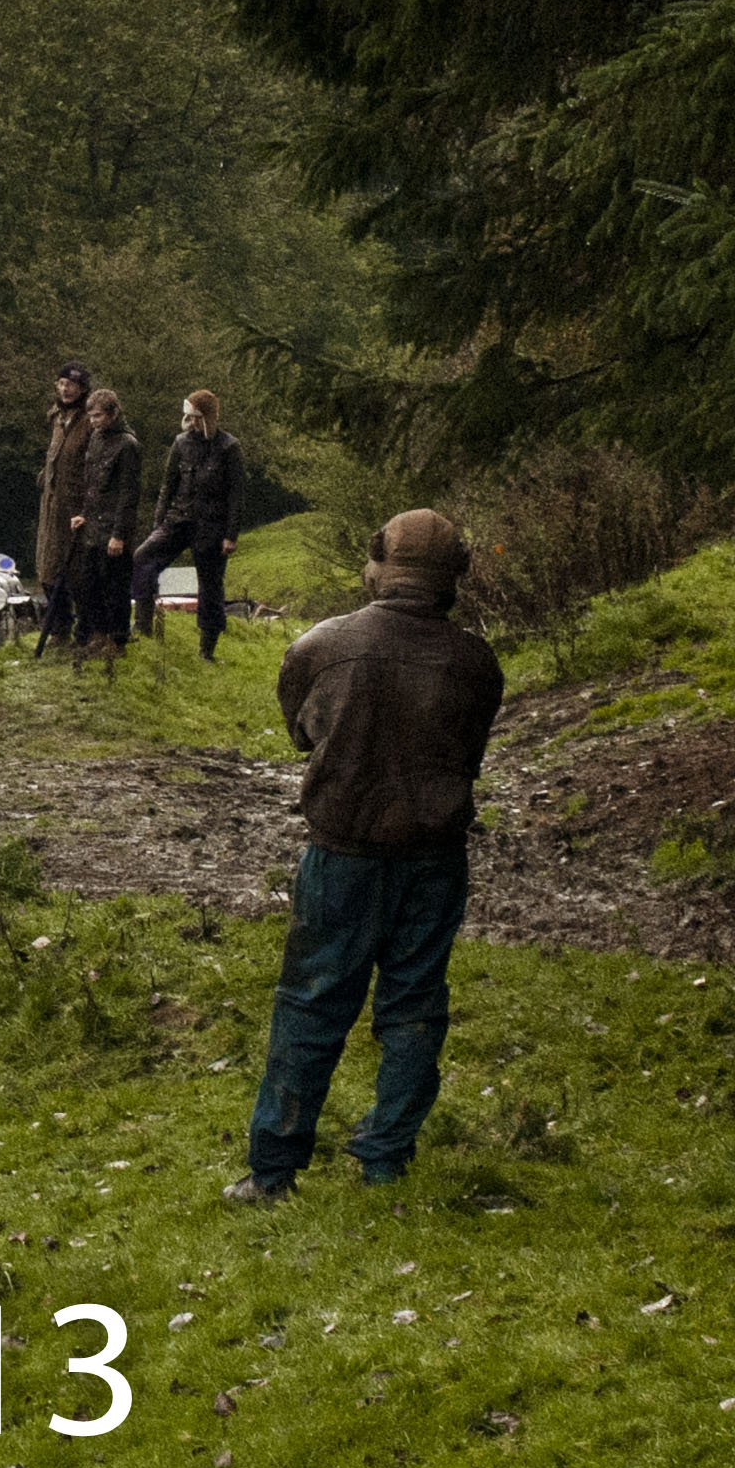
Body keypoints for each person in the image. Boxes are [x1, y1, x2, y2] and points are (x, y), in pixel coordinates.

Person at [226, 510, 504, 1204]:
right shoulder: (476, 662)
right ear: (453, 576)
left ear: (379, 563)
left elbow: (302, 732)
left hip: (343, 855)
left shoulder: (320, 648)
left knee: (310, 1004)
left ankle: (274, 1171)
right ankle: (386, 1158)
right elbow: (469, 751)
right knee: (414, 1005)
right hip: (435, 857)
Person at [136, 390, 249, 659]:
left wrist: (230, 535)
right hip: (178, 519)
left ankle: (207, 651)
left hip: (212, 526)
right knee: (142, 558)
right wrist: (158, 523)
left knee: (210, 586)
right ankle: (142, 629)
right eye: (188, 417)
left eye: (196, 418)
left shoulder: (228, 448)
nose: (191, 422)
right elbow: (168, 486)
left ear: (208, 418)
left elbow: (237, 495)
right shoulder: (180, 443)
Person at [69, 387, 143, 664]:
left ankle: (118, 640)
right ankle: (99, 635)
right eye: (90, 416)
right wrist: (84, 515)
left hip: (114, 530)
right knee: (90, 584)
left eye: (98, 415)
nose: (93, 421)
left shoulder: (128, 445)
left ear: (113, 413)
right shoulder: (96, 440)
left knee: (116, 587)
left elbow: (128, 494)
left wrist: (119, 535)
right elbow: (92, 486)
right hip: (92, 527)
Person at [35, 365, 94, 648]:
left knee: (78, 573)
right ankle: (59, 630)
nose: (65, 389)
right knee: (46, 569)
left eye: (71, 384)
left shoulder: (90, 420)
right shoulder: (56, 417)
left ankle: (86, 632)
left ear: (82, 389)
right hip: (50, 506)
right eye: (61, 383)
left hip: (77, 508)